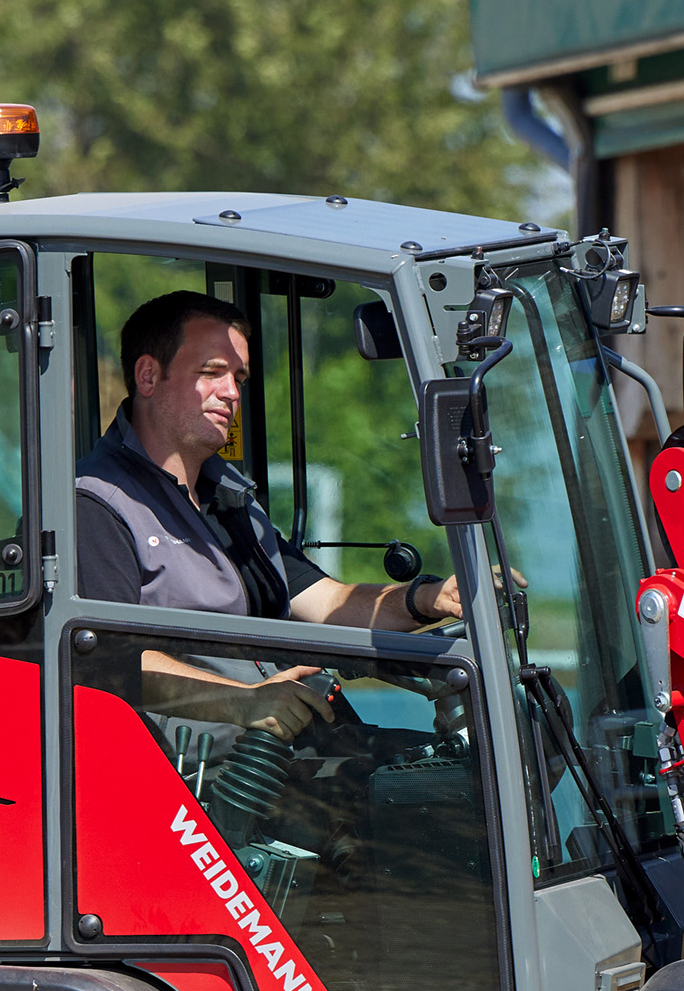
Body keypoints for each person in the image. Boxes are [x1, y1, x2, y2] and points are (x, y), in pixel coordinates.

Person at [75, 290, 454, 731]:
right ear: (147, 376)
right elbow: (101, 658)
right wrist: (243, 701)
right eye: (212, 372)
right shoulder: (97, 503)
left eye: (239, 377)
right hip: (201, 779)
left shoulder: (229, 499)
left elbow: (328, 601)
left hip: (286, 749)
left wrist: (428, 598)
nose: (232, 392)